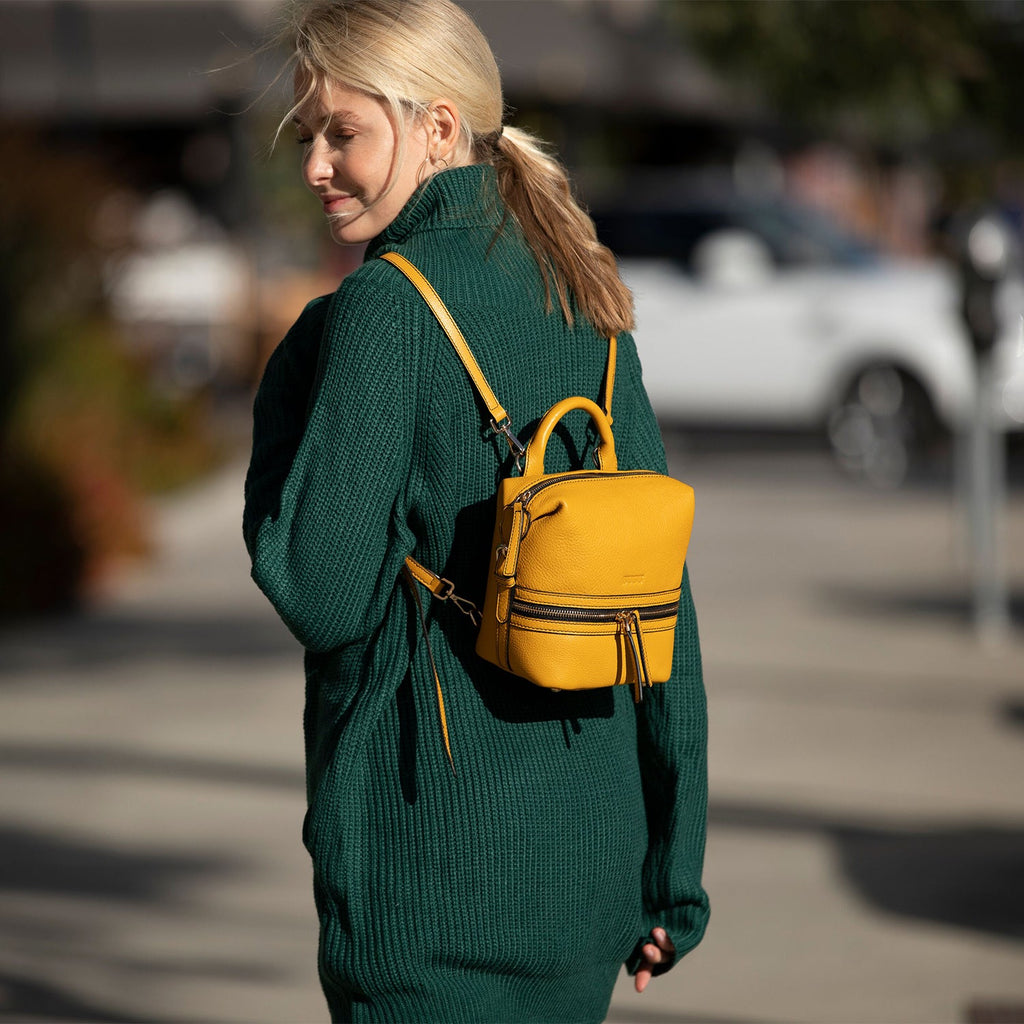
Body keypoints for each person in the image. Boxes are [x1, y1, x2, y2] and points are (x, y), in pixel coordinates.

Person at [242, 1, 709, 1020]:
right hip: (592, 871)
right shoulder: (581, 286)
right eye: (311, 137)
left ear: (439, 127)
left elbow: (320, 593)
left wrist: (287, 398)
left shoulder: (379, 309)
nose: (317, 166)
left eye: (342, 133)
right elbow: (661, 598)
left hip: (434, 887)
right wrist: (675, 872)